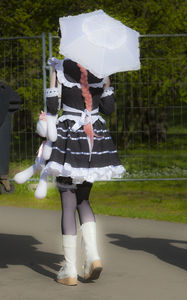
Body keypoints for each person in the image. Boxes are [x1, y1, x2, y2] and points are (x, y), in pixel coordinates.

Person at [43, 56, 125, 286]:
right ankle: (93, 258)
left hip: (70, 140)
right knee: (84, 201)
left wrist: (53, 79)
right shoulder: (101, 69)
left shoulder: (60, 68)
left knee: (68, 202)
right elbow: (108, 109)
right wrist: (107, 86)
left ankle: (69, 269)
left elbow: (52, 108)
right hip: (93, 143)